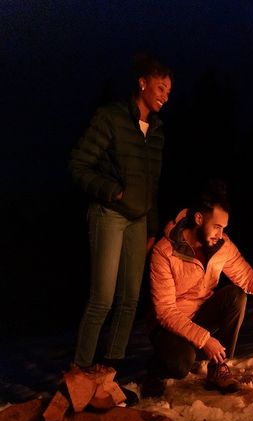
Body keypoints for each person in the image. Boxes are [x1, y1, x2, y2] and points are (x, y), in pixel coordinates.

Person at [69, 53, 173, 371]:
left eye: (168, 92)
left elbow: (152, 185)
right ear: (142, 84)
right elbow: (78, 164)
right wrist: (112, 190)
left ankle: (108, 372)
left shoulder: (156, 132)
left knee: (129, 299)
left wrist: (153, 228)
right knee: (103, 297)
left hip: (139, 221)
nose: (164, 96)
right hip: (109, 214)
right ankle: (80, 371)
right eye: (159, 88)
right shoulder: (111, 118)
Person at [141, 181, 253, 397]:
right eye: (217, 226)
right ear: (199, 219)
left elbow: (247, 278)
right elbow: (164, 311)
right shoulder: (164, 252)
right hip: (168, 326)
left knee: (235, 296)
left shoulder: (222, 246)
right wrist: (205, 340)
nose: (220, 234)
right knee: (180, 365)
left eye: (223, 228)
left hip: (199, 316)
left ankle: (217, 370)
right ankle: (155, 369)